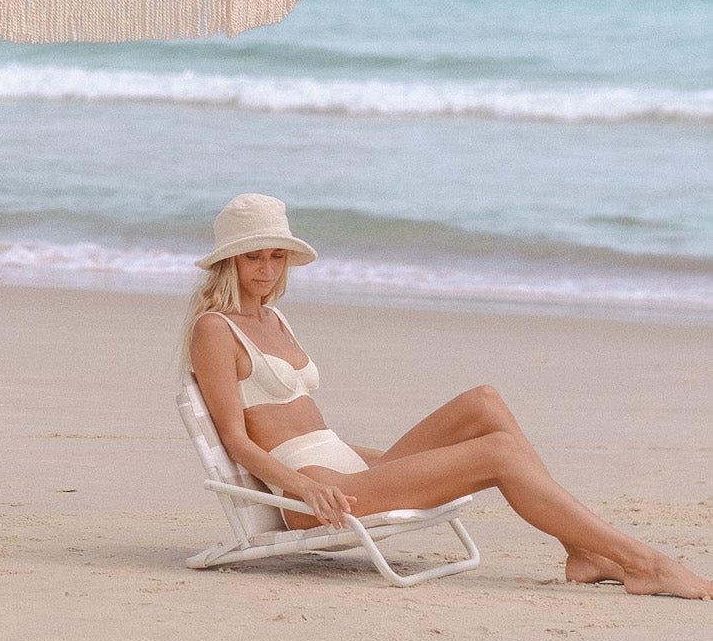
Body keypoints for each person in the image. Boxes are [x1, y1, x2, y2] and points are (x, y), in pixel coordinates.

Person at [186, 193, 712, 600]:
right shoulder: (215, 329)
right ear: (228, 261)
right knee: (499, 454)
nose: (268, 270)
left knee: (483, 401)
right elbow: (235, 439)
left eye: (277, 257)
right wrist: (303, 489)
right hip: (317, 497)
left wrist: (370, 458)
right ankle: (645, 564)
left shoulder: (273, 317)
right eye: (253, 257)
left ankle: (580, 550)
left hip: (347, 467)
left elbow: (307, 425)